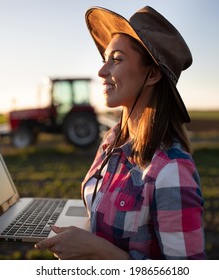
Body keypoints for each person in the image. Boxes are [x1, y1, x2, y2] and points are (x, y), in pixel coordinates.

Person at [34, 6, 205, 260]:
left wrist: (96, 250)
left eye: (116, 59)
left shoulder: (172, 171)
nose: (102, 71)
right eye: (105, 59)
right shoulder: (112, 140)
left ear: (153, 74)